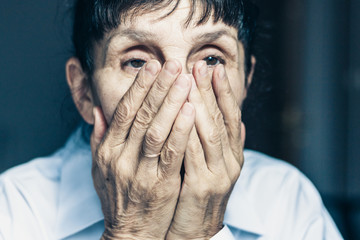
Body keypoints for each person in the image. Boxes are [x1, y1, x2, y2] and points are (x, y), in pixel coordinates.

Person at [0, 0, 343, 239]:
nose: (178, 93)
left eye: (211, 58)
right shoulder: (15, 208)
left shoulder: (286, 198)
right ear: (84, 90)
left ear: (245, 83)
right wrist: (131, 233)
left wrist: (201, 234)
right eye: (136, 62)